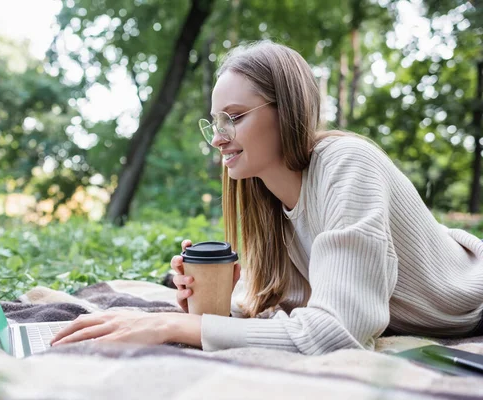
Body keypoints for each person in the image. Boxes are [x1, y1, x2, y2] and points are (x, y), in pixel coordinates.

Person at [51, 40, 483, 354]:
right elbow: (288, 317)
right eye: (215, 123)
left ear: (289, 110)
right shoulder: (267, 200)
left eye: (234, 118)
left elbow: (333, 333)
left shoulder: (349, 164)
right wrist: (208, 304)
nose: (219, 139)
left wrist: (177, 327)